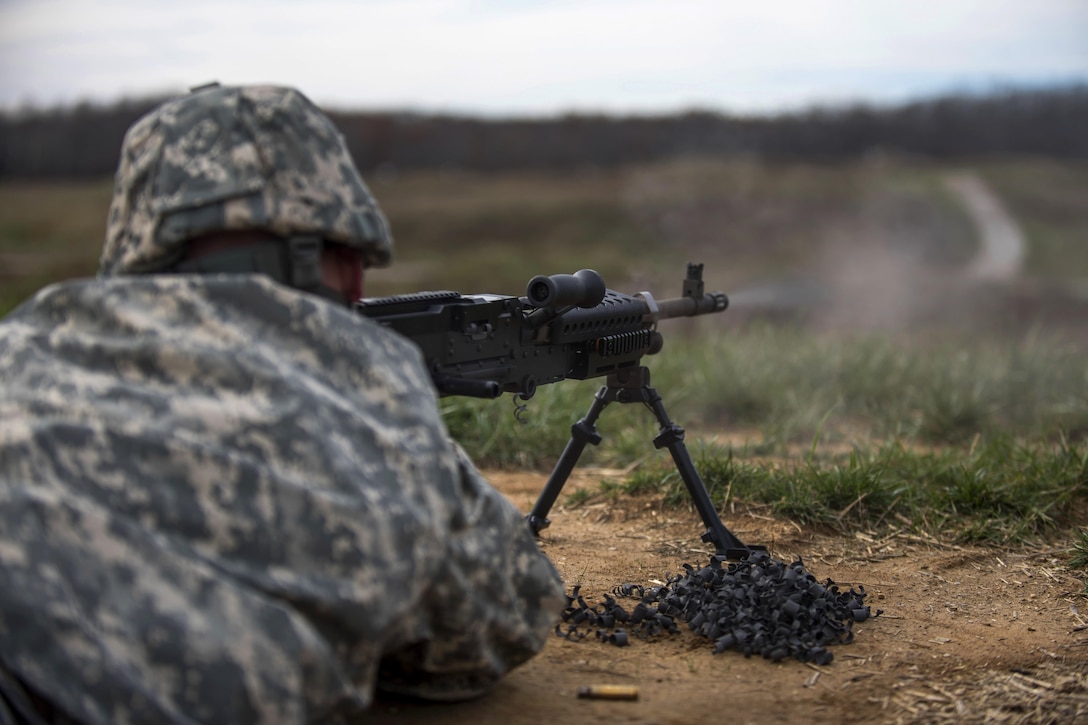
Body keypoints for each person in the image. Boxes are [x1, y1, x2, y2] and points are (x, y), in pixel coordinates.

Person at [0, 83, 566, 724]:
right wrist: (409, 439)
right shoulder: (360, 396)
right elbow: (496, 625)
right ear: (352, 268)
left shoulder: (21, 339)